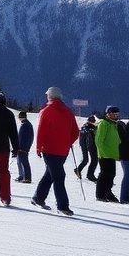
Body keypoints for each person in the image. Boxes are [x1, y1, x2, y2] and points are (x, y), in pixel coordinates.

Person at [31, 86, 78, 215]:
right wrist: (67, 143)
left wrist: (39, 147)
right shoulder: (68, 111)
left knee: (55, 176)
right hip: (62, 151)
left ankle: (60, 205)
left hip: (49, 150)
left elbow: (41, 131)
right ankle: (40, 199)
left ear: (50, 96)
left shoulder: (46, 111)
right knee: (56, 175)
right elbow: (75, 132)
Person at [94, 106, 122, 202]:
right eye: (113, 114)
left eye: (117, 114)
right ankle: (100, 194)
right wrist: (101, 152)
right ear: (108, 114)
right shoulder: (104, 123)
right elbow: (99, 140)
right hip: (105, 154)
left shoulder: (113, 124)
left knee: (111, 174)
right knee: (105, 174)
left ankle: (107, 192)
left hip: (111, 154)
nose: (115, 116)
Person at [74, 115, 99, 180]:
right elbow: (89, 137)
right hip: (89, 145)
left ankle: (79, 170)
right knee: (93, 160)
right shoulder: (90, 128)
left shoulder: (85, 127)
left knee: (86, 160)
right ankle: (89, 174)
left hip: (84, 144)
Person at [16, 110, 34, 183]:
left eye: (20, 117)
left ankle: (27, 177)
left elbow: (21, 137)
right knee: (19, 162)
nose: (19, 119)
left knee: (24, 162)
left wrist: (19, 146)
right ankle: (22, 176)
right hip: (24, 147)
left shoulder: (25, 125)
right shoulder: (27, 124)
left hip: (22, 148)